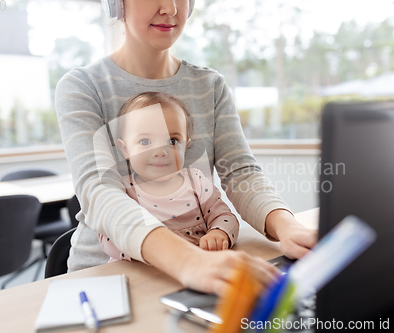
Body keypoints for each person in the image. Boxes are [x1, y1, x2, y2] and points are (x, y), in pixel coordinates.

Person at [55, 0, 317, 295]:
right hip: (107, 277)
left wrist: (287, 227)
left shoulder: (210, 85)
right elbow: (98, 191)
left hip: (198, 270)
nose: (170, 8)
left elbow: (240, 173)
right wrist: (188, 261)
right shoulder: (83, 86)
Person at [98, 92, 240, 261]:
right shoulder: (123, 191)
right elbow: (107, 236)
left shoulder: (197, 182)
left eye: (172, 141)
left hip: (198, 270)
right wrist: (149, 252)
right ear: (126, 149)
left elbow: (225, 217)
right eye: (145, 142)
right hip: (142, 274)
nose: (160, 152)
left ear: (186, 145)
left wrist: (219, 233)